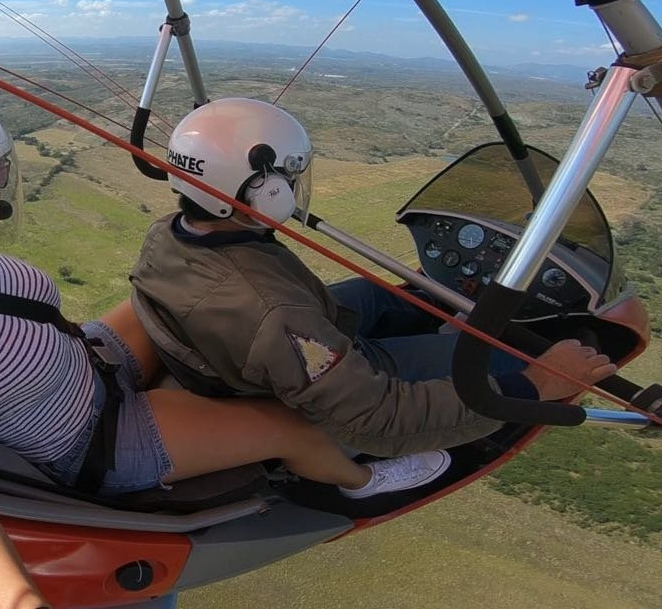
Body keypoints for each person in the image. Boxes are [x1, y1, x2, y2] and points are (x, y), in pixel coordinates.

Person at [0, 83, 456, 609]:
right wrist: (15, 602)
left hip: (85, 362)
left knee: (178, 298)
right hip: (96, 438)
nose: (0, 185)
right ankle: (362, 479)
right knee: (286, 426)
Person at [130, 97, 618, 458]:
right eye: (291, 178)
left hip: (247, 338)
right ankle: (534, 365)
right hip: (294, 359)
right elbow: (378, 418)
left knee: (387, 294)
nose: (296, 189)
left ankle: (452, 308)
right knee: (511, 358)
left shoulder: (172, 231)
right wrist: (535, 387)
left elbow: (276, 312)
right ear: (266, 190)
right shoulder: (276, 314)